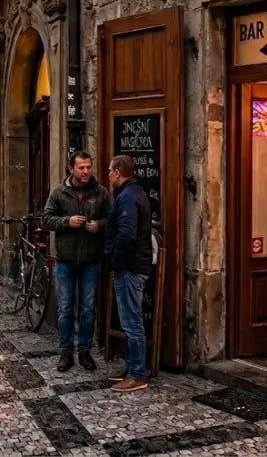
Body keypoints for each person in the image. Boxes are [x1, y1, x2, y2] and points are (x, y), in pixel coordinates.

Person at [43, 151, 112, 372]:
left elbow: (112, 218)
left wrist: (99, 226)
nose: (85, 172)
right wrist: (67, 221)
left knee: (87, 309)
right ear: (70, 169)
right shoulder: (59, 193)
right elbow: (46, 218)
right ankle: (65, 351)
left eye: (88, 167)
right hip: (66, 260)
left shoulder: (100, 193)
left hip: (91, 260)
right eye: (81, 168)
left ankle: (84, 351)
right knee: (65, 308)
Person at [105, 155, 153, 392]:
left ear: (117, 172)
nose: (108, 176)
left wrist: (115, 262)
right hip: (134, 265)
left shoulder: (127, 197)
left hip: (130, 268)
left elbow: (127, 235)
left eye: (109, 171)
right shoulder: (134, 193)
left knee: (132, 322)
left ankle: (137, 374)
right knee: (129, 321)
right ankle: (132, 366)